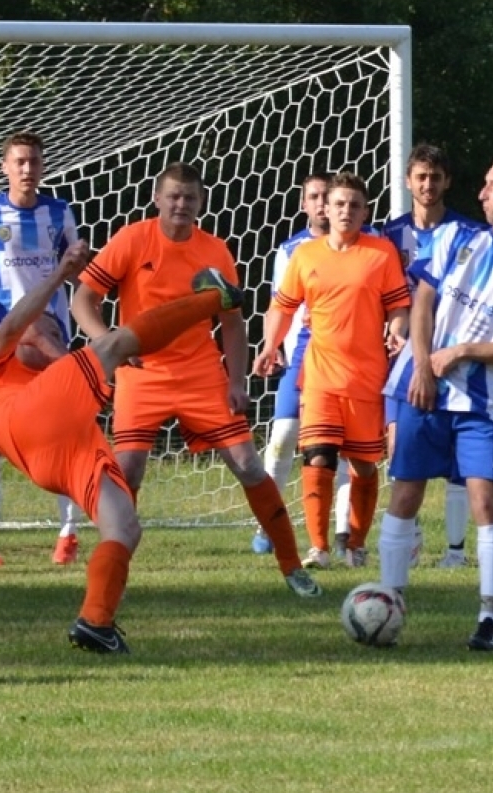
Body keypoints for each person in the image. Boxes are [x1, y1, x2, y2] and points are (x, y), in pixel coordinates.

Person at [0, 237, 249, 653]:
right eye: (40, 328)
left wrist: (64, 350)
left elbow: (62, 361)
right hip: (24, 423)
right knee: (115, 342)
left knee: (125, 527)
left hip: (54, 456)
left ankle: (96, 622)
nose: (42, 334)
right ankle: (215, 298)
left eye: (50, 329)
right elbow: (15, 326)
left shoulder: (58, 379)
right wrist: (62, 275)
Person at [73, 162, 321, 598]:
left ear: (201, 202)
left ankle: (291, 565)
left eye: (189, 198)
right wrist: (107, 342)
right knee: (126, 474)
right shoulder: (132, 239)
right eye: (173, 197)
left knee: (248, 465)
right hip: (141, 373)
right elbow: (83, 300)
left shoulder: (215, 251)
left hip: (201, 375)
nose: (181, 205)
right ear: (157, 198)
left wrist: (236, 380)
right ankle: (114, 577)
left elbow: (232, 322)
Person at [376, 156, 493, 652]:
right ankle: (388, 604)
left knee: (484, 499)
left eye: (492, 184)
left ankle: (489, 618)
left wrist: (462, 352)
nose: (481, 194)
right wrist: (421, 365)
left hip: (481, 405)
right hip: (421, 390)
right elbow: (422, 302)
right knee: (405, 494)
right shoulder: (457, 239)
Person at [252, 171, 409, 569]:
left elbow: (398, 306)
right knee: (317, 456)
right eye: (339, 204)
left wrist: (397, 332)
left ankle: (355, 543)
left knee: (361, 464)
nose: (345, 211)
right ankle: (318, 548)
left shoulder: (380, 252)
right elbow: (282, 307)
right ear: (326, 207)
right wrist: (270, 346)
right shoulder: (305, 255)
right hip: (319, 373)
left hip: (366, 377)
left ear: (365, 211)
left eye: (354, 205)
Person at [0, 130, 83, 568]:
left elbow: (78, 275)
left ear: (43, 167)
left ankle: (68, 535)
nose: (27, 169)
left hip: (52, 334)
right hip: (4, 342)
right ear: (5, 167)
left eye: (34, 162)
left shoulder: (60, 214)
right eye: (19, 162)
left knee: (65, 432)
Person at [378, 144, 487, 569]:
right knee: (397, 446)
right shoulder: (392, 235)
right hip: (400, 354)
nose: (428, 184)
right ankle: (413, 533)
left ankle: (456, 552)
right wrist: (391, 330)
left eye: (435, 177)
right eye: (421, 176)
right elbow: (382, 291)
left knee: (460, 452)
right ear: (408, 181)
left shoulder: (469, 234)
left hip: (453, 354)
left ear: (448, 182)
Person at [249, 171, 350, 557]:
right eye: (314, 197)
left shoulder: (360, 244)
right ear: (303, 204)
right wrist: (272, 346)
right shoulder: (291, 251)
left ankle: (343, 535)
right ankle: (268, 526)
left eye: (328, 196)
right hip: (302, 361)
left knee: (340, 447)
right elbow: (280, 305)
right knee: (283, 438)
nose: (322, 203)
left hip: (345, 361)